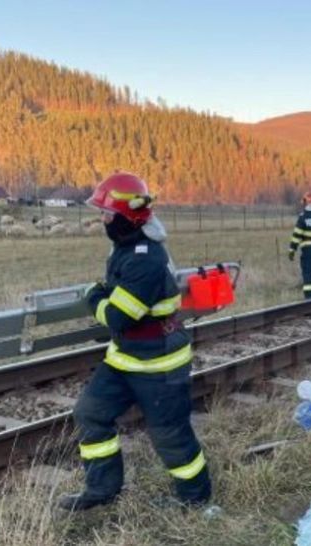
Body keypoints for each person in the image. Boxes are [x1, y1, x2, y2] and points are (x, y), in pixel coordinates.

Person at [59, 172, 211, 511]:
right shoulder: (126, 248)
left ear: (127, 217)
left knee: (170, 436)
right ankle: (102, 490)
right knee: (90, 414)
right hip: (124, 359)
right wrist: (105, 293)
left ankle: (196, 500)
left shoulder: (147, 259)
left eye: (107, 213)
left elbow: (117, 317)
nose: (102, 220)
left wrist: (93, 297)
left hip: (160, 365)